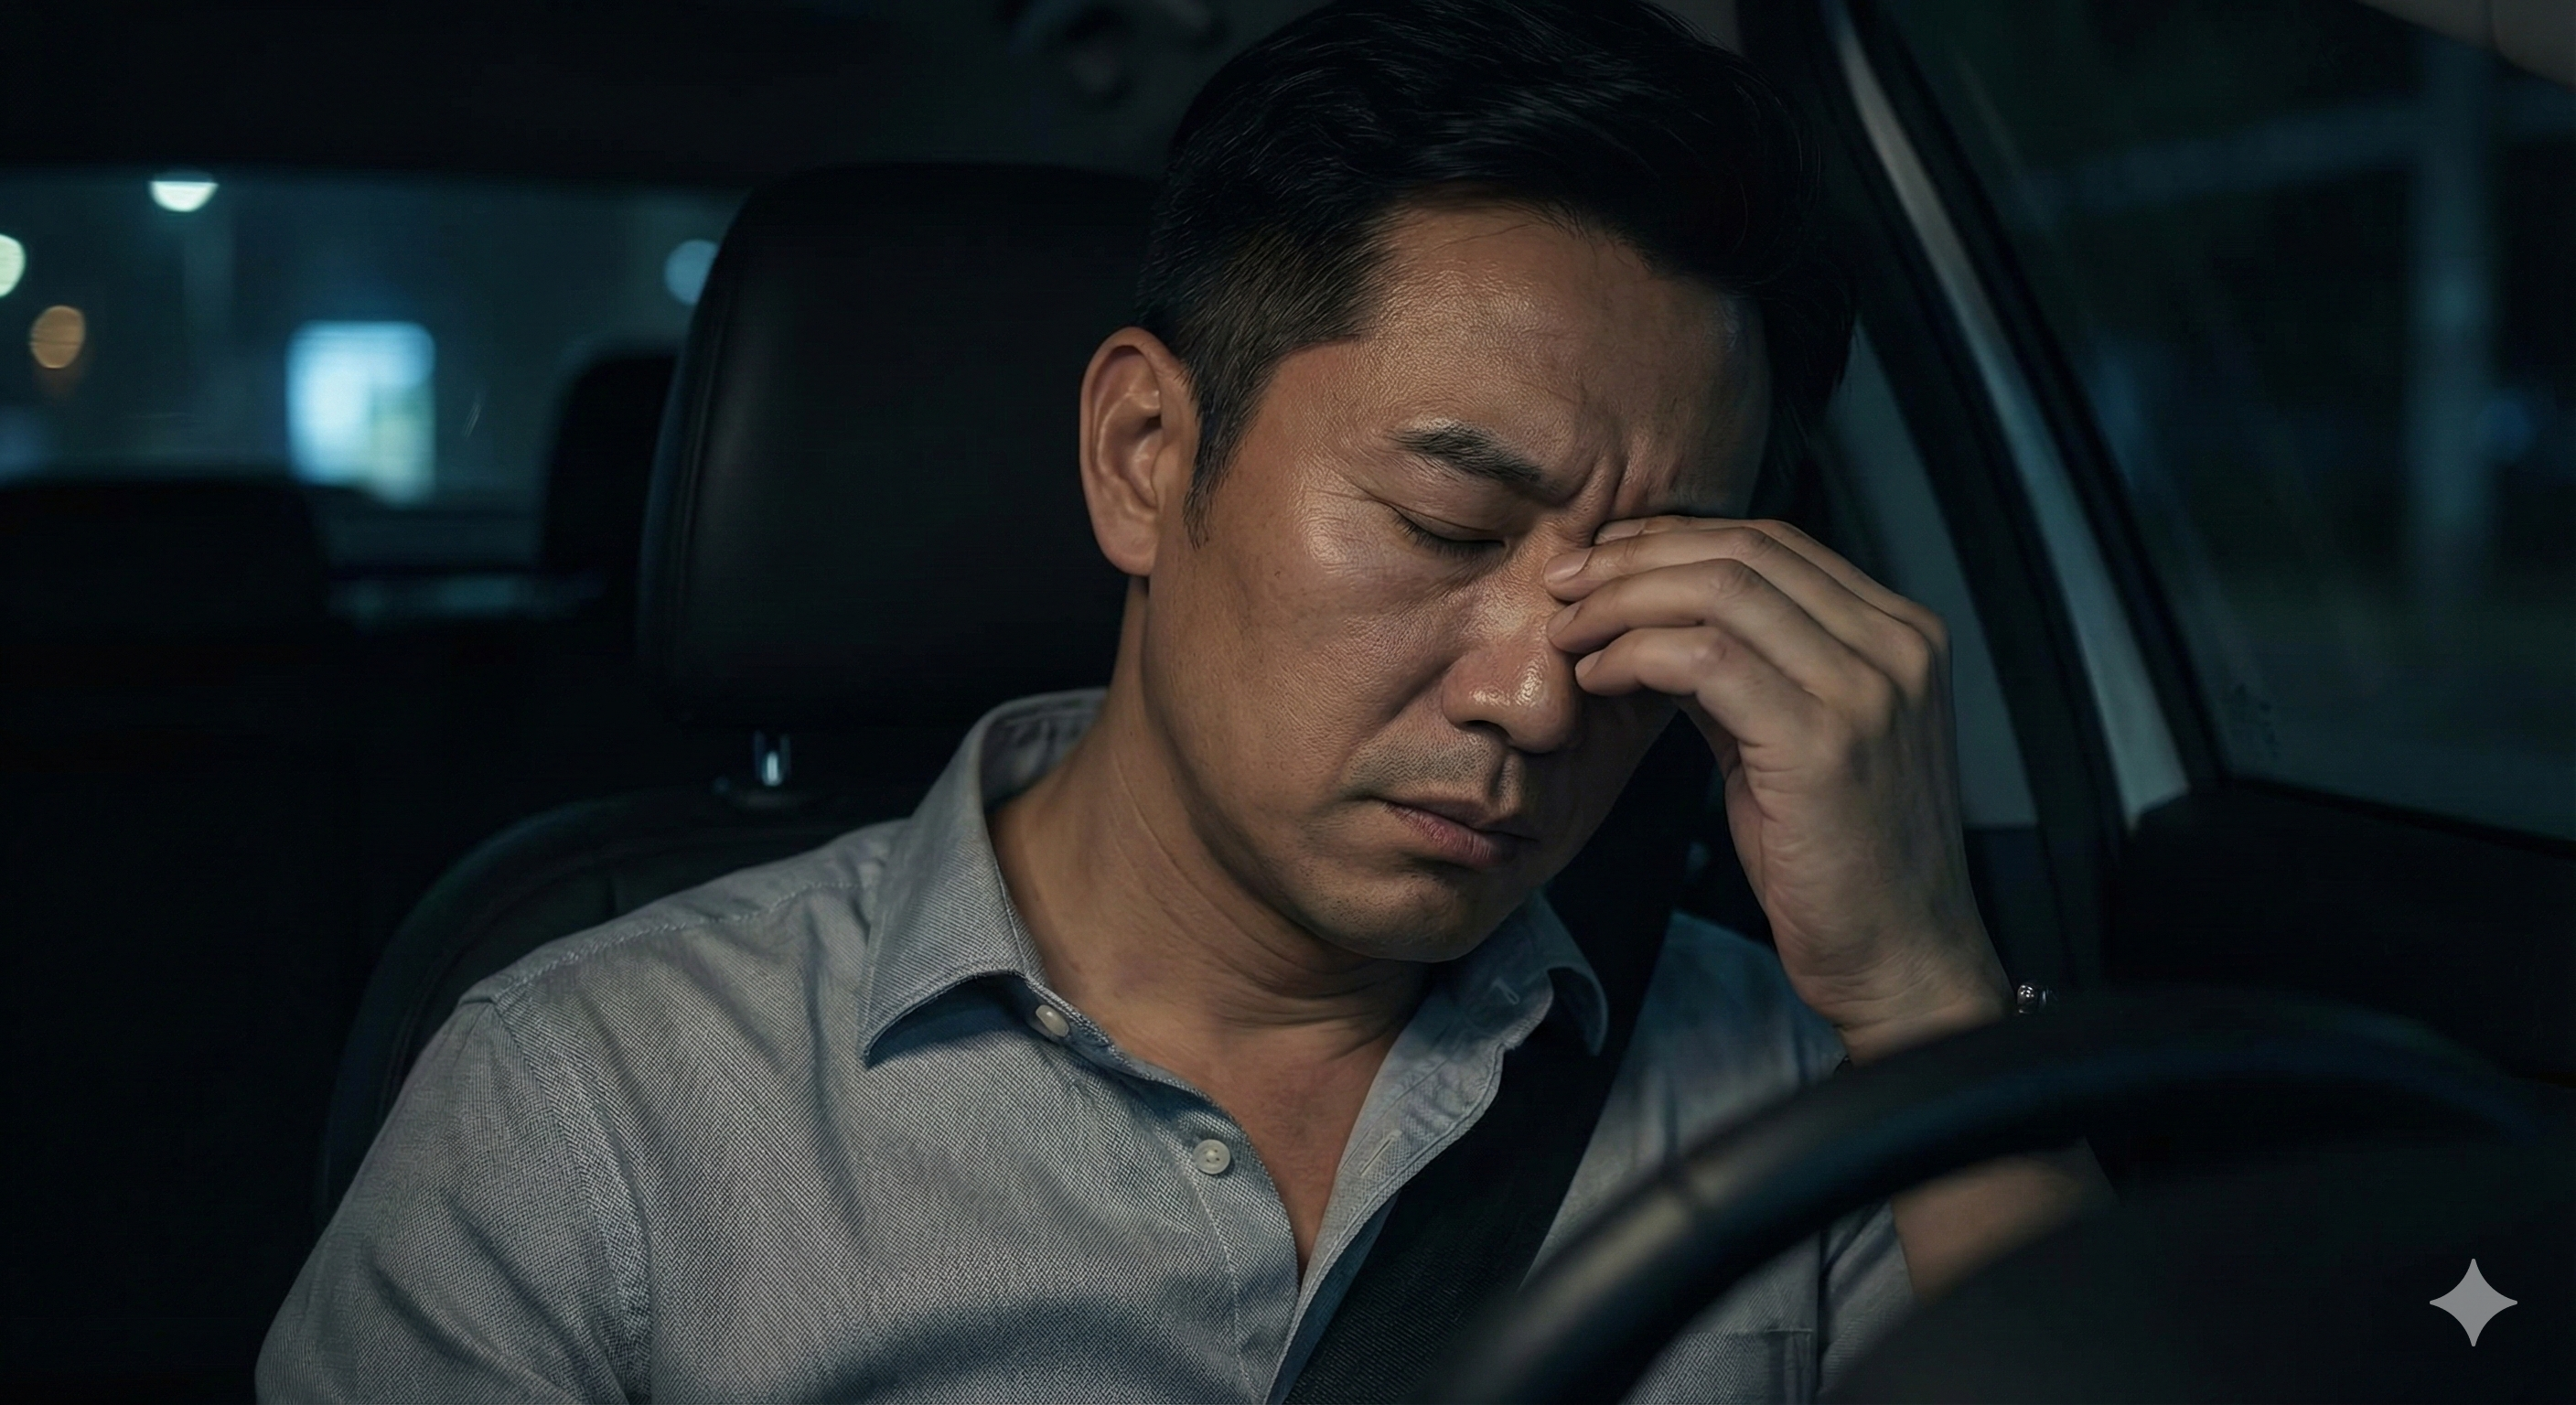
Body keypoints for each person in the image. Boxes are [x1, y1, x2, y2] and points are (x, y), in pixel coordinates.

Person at [261, 1, 2100, 1400]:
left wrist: (1926, 992)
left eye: (1645, 591)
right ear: (1148, 454)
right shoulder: (600, 1108)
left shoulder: (1806, 1086)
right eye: (1448, 520)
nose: (1541, 699)